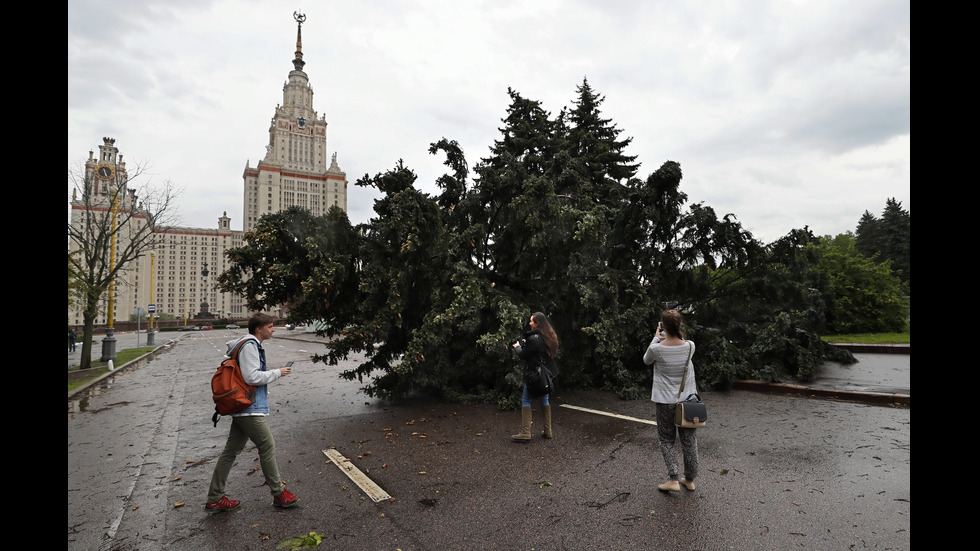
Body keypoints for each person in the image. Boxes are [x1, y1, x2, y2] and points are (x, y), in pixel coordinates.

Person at [205, 313, 300, 513]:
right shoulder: (250, 345)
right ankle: (279, 493)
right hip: (248, 407)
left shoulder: (249, 344)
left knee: (230, 451)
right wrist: (278, 372)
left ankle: (215, 497)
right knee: (266, 444)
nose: (273, 329)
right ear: (259, 329)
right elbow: (251, 377)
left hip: (244, 407)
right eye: (270, 326)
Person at [643, 309, 699, 492]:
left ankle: (674, 479)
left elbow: (646, 360)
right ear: (680, 325)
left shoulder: (656, 348)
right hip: (689, 402)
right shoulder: (690, 346)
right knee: (689, 441)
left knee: (666, 439)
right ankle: (689, 480)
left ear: (663, 326)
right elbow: (680, 343)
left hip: (665, 402)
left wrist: (656, 337)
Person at [512, 312, 558, 442]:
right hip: (546, 375)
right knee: (545, 399)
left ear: (537, 323)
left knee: (526, 399)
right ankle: (548, 431)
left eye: (532, 321)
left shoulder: (533, 338)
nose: (530, 323)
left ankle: (525, 432)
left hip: (534, 374)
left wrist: (517, 347)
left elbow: (523, 355)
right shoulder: (549, 336)